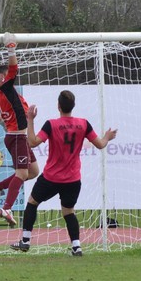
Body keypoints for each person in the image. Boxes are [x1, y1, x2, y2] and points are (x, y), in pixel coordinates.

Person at [11, 90, 117, 255]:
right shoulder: (83, 124)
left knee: (32, 203)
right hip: (73, 179)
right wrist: (107, 137)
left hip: (51, 178)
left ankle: (25, 241)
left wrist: (30, 119)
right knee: (68, 212)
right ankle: (76, 247)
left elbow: (32, 142)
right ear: (73, 106)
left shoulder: (51, 124)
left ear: (58, 106)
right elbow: (101, 144)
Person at [0, 32, 41, 228]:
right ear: (3, 77)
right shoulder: (6, 86)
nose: (12, 77)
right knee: (22, 173)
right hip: (17, 137)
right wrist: (11, 48)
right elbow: (14, 68)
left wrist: (3, 123)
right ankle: (7, 208)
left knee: (33, 172)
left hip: (17, 136)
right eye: (8, 75)